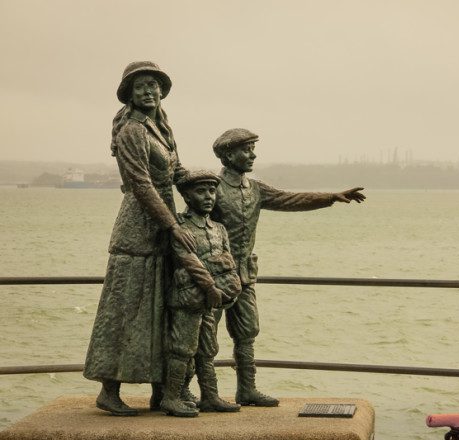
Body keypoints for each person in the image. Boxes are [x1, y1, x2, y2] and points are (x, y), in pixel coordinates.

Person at [210, 128, 366, 407]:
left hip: (244, 273)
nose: (252, 154)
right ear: (227, 154)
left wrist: (331, 197)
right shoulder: (212, 187)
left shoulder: (254, 188)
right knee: (204, 334)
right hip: (214, 274)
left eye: (252, 148)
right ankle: (204, 394)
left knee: (247, 331)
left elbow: (290, 199)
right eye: (246, 149)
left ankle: (247, 389)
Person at [83, 61, 196, 416]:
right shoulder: (132, 131)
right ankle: (108, 389)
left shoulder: (160, 129)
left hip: (161, 228)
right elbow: (142, 185)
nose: (149, 91)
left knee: (161, 309)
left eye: (154, 85)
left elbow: (177, 173)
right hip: (138, 230)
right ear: (129, 95)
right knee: (125, 310)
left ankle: (162, 390)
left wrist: (209, 191)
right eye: (141, 86)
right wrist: (173, 225)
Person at [162, 170, 243, 417]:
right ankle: (171, 397)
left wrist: (229, 288)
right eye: (200, 191)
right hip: (190, 299)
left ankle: (209, 396)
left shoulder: (219, 228)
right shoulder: (180, 227)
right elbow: (189, 261)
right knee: (183, 349)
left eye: (212, 190)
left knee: (208, 348)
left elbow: (228, 259)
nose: (208, 196)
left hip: (213, 300)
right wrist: (211, 287)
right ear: (186, 195)